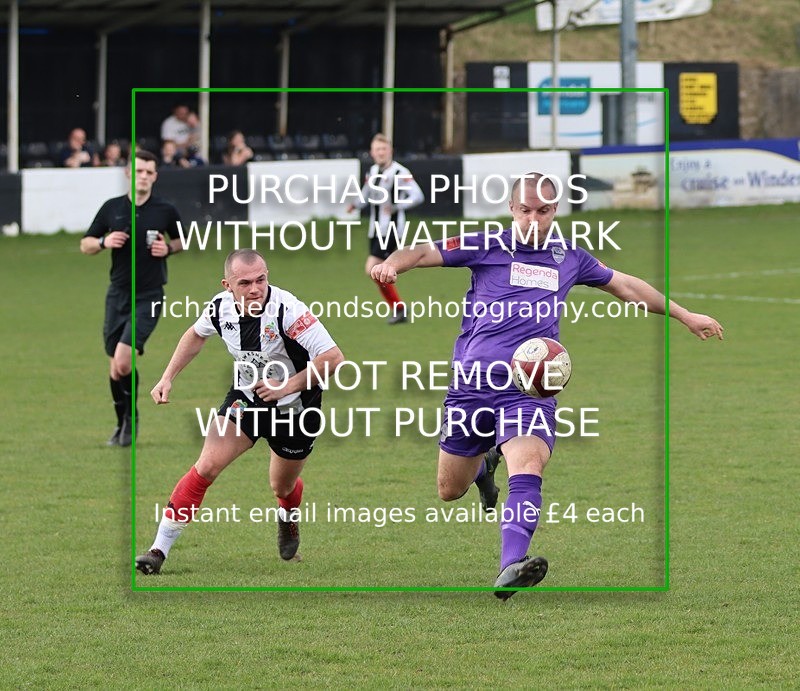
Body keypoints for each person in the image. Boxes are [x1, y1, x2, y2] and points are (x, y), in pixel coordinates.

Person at [370, 172, 724, 599]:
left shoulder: (569, 257)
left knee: (528, 464)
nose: (533, 219)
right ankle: (484, 468)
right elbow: (424, 251)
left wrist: (684, 315)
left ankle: (510, 566)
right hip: (471, 385)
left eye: (543, 211)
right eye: (525, 210)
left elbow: (625, 285)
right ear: (512, 209)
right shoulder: (487, 244)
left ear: (555, 210)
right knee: (449, 489)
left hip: (529, 387)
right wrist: (393, 264)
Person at [135, 249, 345, 575]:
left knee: (282, 487)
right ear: (228, 285)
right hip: (246, 399)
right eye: (245, 283)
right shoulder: (219, 307)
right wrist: (167, 377)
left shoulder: (289, 310)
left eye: (261, 279)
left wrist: (286, 386)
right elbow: (195, 335)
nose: (255, 288)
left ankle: (287, 515)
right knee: (207, 465)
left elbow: (333, 358)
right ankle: (158, 550)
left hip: (296, 409)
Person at [80, 150, 183, 447]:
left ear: (155, 176)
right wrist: (104, 241)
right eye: (139, 171)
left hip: (149, 295)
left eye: (149, 172)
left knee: (124, 361)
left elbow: (184, 240)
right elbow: (85, 244)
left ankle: (131, 419)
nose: (144, 177)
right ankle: (121, 422)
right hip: (118, 295)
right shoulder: (112, 208)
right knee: (115, 367)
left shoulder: (165, 209)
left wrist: (168, 249)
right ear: (128, 173)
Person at [346, 133, 424, 324]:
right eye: (377, 149)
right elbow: (366, 194)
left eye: (384, 149)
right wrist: (355, 205)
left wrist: (397, 206)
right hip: (375, 229)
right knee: (376, 270)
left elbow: (418, 196)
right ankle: (399, 309)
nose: (380, 153)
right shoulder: (373, 171)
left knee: (373, 268)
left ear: (390, 151)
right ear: (372, 153)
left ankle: (399, 307)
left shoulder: (400, 172)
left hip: (391, 229)